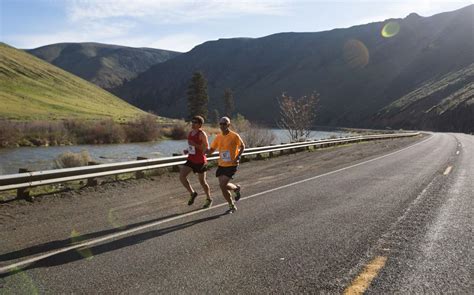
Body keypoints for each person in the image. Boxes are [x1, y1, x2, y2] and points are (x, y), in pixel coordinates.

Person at [207, 116, 245, 214]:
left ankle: (231, 204)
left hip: (232, 164)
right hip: (221, 165)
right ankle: (236, 190)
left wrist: (238, 157)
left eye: (225, 124)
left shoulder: (234, 136)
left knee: (222, 185)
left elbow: (242, 146)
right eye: (221, 124)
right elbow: (211, 150)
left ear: (229, 125)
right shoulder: (218, 137)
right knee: (223, 186)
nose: (222, 126)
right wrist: (203, 151)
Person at [179, 116, 212, 209]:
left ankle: (209, 198)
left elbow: (206, 148)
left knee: (202, 181)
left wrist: (195, 145)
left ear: (200, 124)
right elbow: (191, 148)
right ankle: (192, 193)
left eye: (195, 122)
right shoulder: (190, 133)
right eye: (192, 122)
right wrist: (187, 150)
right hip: (191, 159)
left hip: (200, 161)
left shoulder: (202, 134)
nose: (192, 124)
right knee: (182, 176)